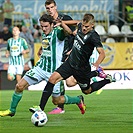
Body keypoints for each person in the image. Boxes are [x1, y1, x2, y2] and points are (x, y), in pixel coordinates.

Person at [29, 13, 116, 115]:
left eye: (86, 27)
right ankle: (40, 108)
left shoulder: (94, 36)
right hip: (70, 63)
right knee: (52, 79)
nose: (83, 28)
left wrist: (96, 64)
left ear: (92, 25)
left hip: (81, 69)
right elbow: (76, 22)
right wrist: (62, 23)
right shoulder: (80, 26)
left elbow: (102, 53)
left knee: (87, 91)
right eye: (83, 25)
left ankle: (107, 80)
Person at [0, 13, 76, 117]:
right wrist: (41, 49)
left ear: (51, 24)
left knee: (57, 101)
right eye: (42, 26)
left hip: (54, 72)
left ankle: (78, 99)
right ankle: (11, 110)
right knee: (19, 86)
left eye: (46, 26)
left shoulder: (58, 33)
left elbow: (69, 32)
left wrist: (62, 24)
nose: (44, 29)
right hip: (40, 68)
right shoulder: (44, 34)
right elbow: (47, 43)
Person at [38, 0, 76, 114]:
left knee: (63, 80)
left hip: (68, 52)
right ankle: (61, 107)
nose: (50, 10)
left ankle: (89, 75)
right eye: (47, 8)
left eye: (51, 7)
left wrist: (73, 50)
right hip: (59, 54)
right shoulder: (48, 21)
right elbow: (49, 37)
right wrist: (42, 48)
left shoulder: (64, 18)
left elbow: (75, 32)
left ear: (56, 7)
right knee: (65, 81)